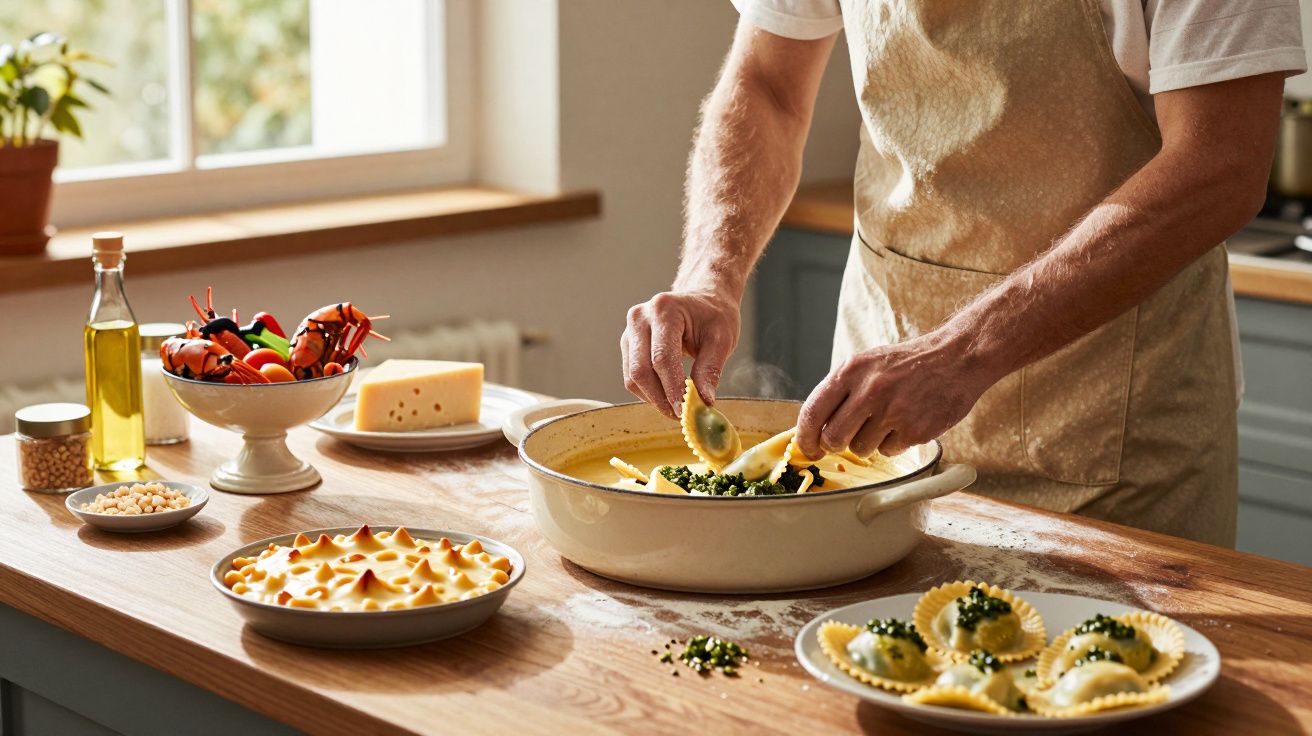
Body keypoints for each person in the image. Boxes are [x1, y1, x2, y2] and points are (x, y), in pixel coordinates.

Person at [620, 0, 1306, 546]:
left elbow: (1219, 164)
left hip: (1115, 427)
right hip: (877, 424)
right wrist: (711, 274)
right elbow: (768, 86)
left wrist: (963, 351)